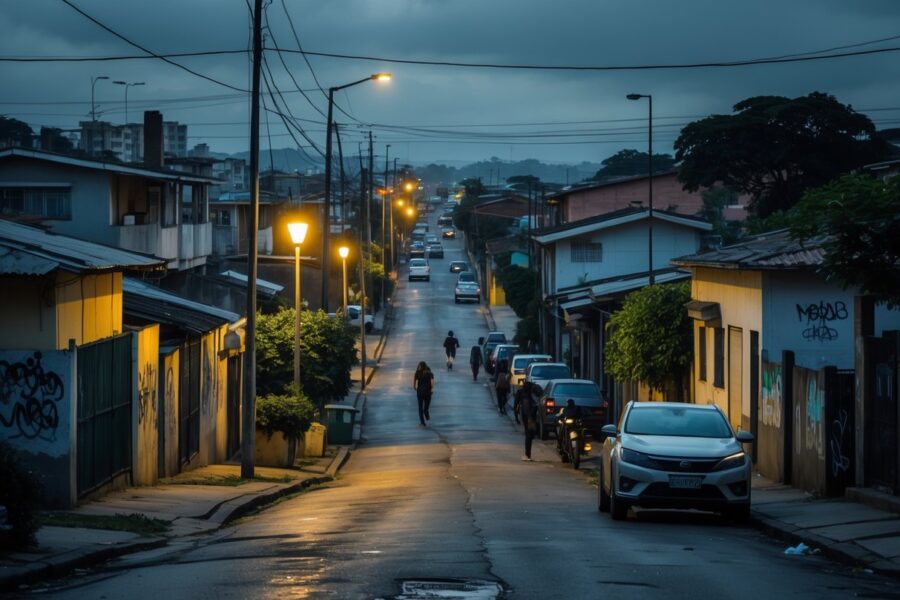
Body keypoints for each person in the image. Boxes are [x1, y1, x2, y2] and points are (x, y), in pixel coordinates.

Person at [520, 382, 539, 461]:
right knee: (530, 435)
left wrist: (517, 418)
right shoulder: (532, 395)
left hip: (526, 417)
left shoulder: (521, 393)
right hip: (532, 417)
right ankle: (528, 454)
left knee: (528, 435)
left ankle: (527, 454)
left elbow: (516, 404)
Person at [413, 361, 435, 427]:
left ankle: (422, 423)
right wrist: (432, 390)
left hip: (420, 392)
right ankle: (426, 413)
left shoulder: (417, 373)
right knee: (426, 407)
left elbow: (414, 384)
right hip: (428, 392)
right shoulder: (430, 373)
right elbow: (432, 383)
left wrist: (415, 388)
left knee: (420, 407)